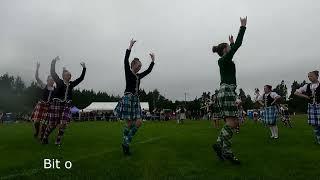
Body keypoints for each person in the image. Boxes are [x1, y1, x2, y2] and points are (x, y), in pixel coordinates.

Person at [211, 16, 247, 164]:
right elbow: (238, 45)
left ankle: (227, 153)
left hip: (225, 91)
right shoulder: (224, 59)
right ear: (225, 50)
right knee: (233, 123)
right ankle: (219, 144)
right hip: (227, 91)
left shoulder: (224, 60)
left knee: (231, 122)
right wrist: (242, 27)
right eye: (229, 47)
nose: (231, 48)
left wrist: (231, 44)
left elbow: (234, 47)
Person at [114, 39, 155, 155]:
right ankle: (125, 144)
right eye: (138, 66)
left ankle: (126, 142)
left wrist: (152, 61)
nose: (140, 68)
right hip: (128, 98)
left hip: (135, 100)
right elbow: (125, 59)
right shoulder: (128, 71)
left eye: (140, 67)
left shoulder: (139, 76)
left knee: (138, 122)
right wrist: (130, 47)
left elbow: (148, 71)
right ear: (133, 65)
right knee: (130, 124)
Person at [42, 56, 86, 145]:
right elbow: (53, 72)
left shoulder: (71, 84)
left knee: (63, 123)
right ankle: (45, 137)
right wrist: (53, 61)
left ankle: (58, 141)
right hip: (57, 104)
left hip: (66, 105)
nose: (69, 76)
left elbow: (81, 79)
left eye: (70, 75)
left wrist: (84, 68)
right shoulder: (59, 81)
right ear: (63, 76)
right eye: (67, 74)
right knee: (53, 124)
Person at [30, 62, 55, 140]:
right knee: (36, 122)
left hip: (49, 106)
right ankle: (37, 132)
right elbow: (37, 77)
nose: (52, 81)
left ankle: (42, 136)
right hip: (41, 104)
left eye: (53, 80)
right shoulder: (44, 85)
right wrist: (37, 68)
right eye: (50, 80)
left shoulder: (55, 89)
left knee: (45, 123)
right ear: (47, 80)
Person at [294, 70, 320, 144]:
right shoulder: (307, 86)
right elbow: (296, 92)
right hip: (312, 106)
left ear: (317, 76)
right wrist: (306, 96)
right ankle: (318, 138)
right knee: (315, 124)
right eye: (308, 76)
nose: (309, 78)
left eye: (311, 76)